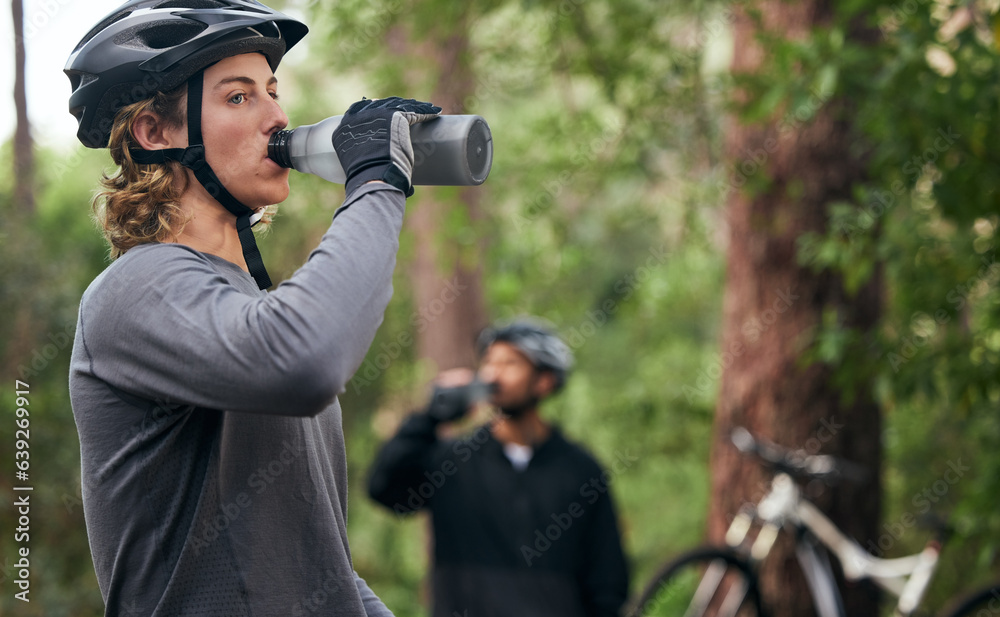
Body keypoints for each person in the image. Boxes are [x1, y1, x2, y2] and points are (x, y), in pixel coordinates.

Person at [65, 1, 439, 614]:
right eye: (239, 98)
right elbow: (305, 357)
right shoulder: (137, 289)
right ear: (155, 133)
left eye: (272, 91)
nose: (279, 116)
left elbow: (314, 565)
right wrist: (374, 183)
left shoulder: (249, 309)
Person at [367, 318, 630, 617]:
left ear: (545, 381)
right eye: (489, 361)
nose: (493, 373)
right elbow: (384, 489)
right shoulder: (453, 461)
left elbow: (608, 579)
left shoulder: (581, 471)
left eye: (510, 363)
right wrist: (429, 418)